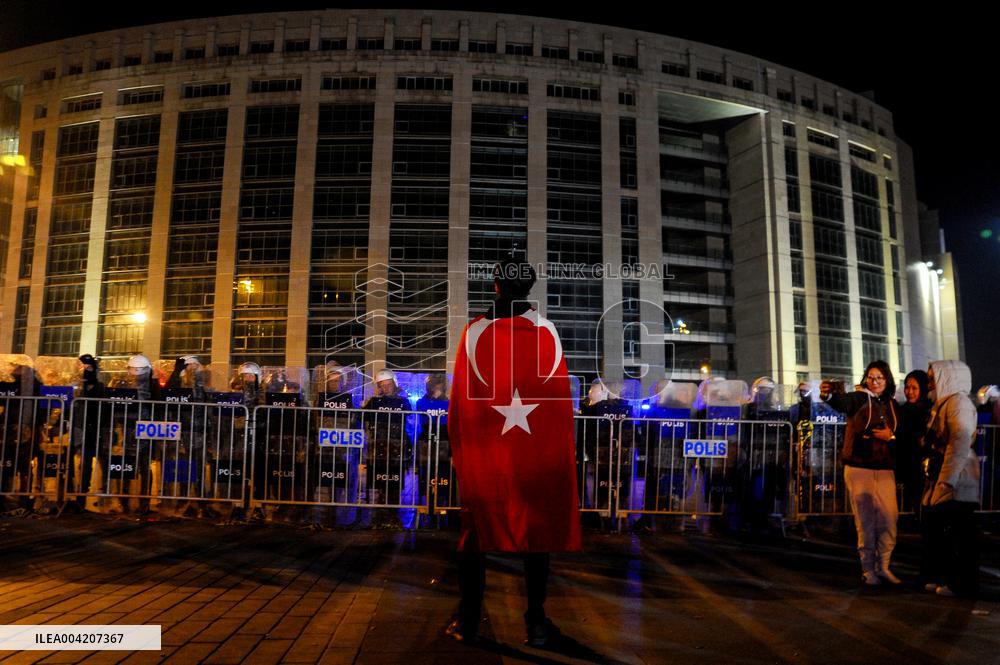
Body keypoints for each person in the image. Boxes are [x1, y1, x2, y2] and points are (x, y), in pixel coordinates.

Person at [447, 253, 581, 646]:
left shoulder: (474, 332)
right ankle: (536, 622)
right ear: (530, 286)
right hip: (534, 457)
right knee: (534, 533)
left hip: (487, 456)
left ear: (496, 284)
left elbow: (461, 404)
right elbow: (557, 404)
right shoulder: (547, 331)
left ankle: (469, 619)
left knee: (476, 531)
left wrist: (466, 456)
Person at [821, 360, 900, 586]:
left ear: (887, 381)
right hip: (859, 467)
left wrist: (892, 438)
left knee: (889, 517)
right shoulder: (858, 398)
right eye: (871, 377)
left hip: (885, 467)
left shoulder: (892, 404)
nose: (874, 382)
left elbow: (902, 432)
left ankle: (884, 565)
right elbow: (841, 402)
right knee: (865, 520)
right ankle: (868, 569)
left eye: (879, 378)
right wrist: (828, 396)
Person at [920, 360, 981, 597]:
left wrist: (948, 480)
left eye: (932, 377)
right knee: (943, 531)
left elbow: (959, 444)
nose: (929, 383)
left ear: (947, 377)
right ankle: (946, 578)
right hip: (948, 476)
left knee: (959, 535)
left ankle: (961, 584)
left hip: (957, 480)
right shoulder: (945, 404)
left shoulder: (957, 404)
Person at [895, 370, 932, 515]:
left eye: (914, 388)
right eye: (907, 387)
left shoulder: (930, 410)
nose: (909, 392)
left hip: (922, 463)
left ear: (923, 389)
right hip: (904, 461)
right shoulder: (902, 410)